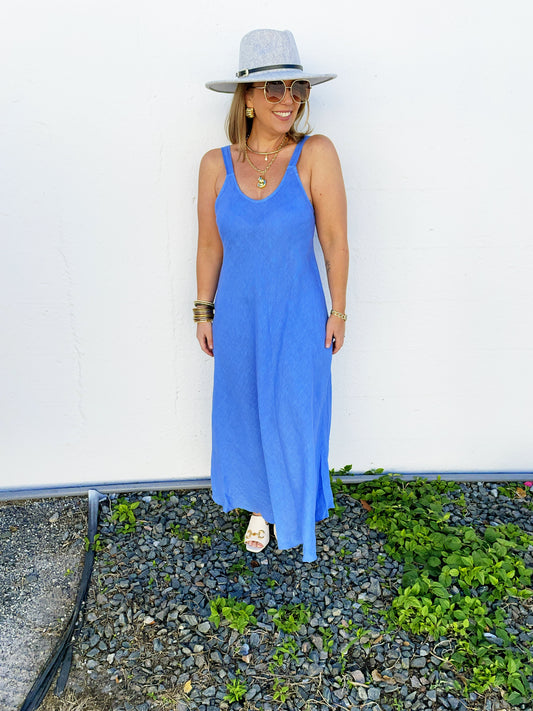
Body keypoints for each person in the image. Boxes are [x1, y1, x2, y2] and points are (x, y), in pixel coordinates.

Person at [195, 28, 348, 562]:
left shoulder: (314, 154)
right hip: (238, 316)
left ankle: (295, 501)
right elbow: (209, 245)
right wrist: (203, 310)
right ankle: (261, 504)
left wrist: (339, 310)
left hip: (299, 315)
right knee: (245, 408)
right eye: (275, 88)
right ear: (248, 98)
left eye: (297, 88)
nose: (289, 99)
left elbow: (334, 240)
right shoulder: (215, 165)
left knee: (294, 410)